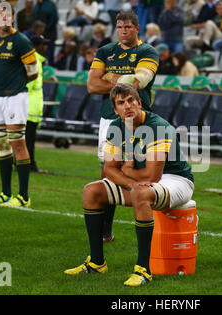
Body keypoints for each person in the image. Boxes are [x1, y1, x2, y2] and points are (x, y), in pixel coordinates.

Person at [64, 83, 194, 286]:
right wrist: (131, 182)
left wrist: (127, 171)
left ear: (140, 103)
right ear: (115, 110)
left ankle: (143, 269)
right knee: (91, 191)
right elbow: (109, 169)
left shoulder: (158, 126)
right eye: (121, 103)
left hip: (176, 179)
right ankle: (97, 262)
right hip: (140, 183)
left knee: (142, 193)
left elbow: (153, 175)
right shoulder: (116, 126)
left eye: (131, 100)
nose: (127, 106)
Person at [87, 11, 159, 242]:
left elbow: (137, 84)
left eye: (127, 27)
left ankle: (155, 228)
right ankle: (106, 232)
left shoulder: (147, 52)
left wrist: (110, 76)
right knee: (107, 172)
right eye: (119, 27)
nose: (123, 31)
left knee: (147, 172)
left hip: (139, 121)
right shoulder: (105, 51)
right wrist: (123, 79)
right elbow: (91, 85)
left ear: (137, 28)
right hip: (109, 120)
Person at [0, 4, 38, 207]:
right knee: (2, 144)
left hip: (15, 97)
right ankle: (5, 193)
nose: (4, 18)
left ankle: (23, 196)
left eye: (8, 15)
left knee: (17, 142)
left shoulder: (21, 41)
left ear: (13, 18)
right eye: (1, 15)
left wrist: (14, 84)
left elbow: (33, 72)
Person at [25, 35, 48, 173]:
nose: (45, 47)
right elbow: (30, 84)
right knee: (29, 138)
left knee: (27, 138)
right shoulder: (34, 61)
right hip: (30, 107)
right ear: (36, 47)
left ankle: (24, 163)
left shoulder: (35, 60)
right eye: (43, 44)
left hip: (31, 106)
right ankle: (30, 165)